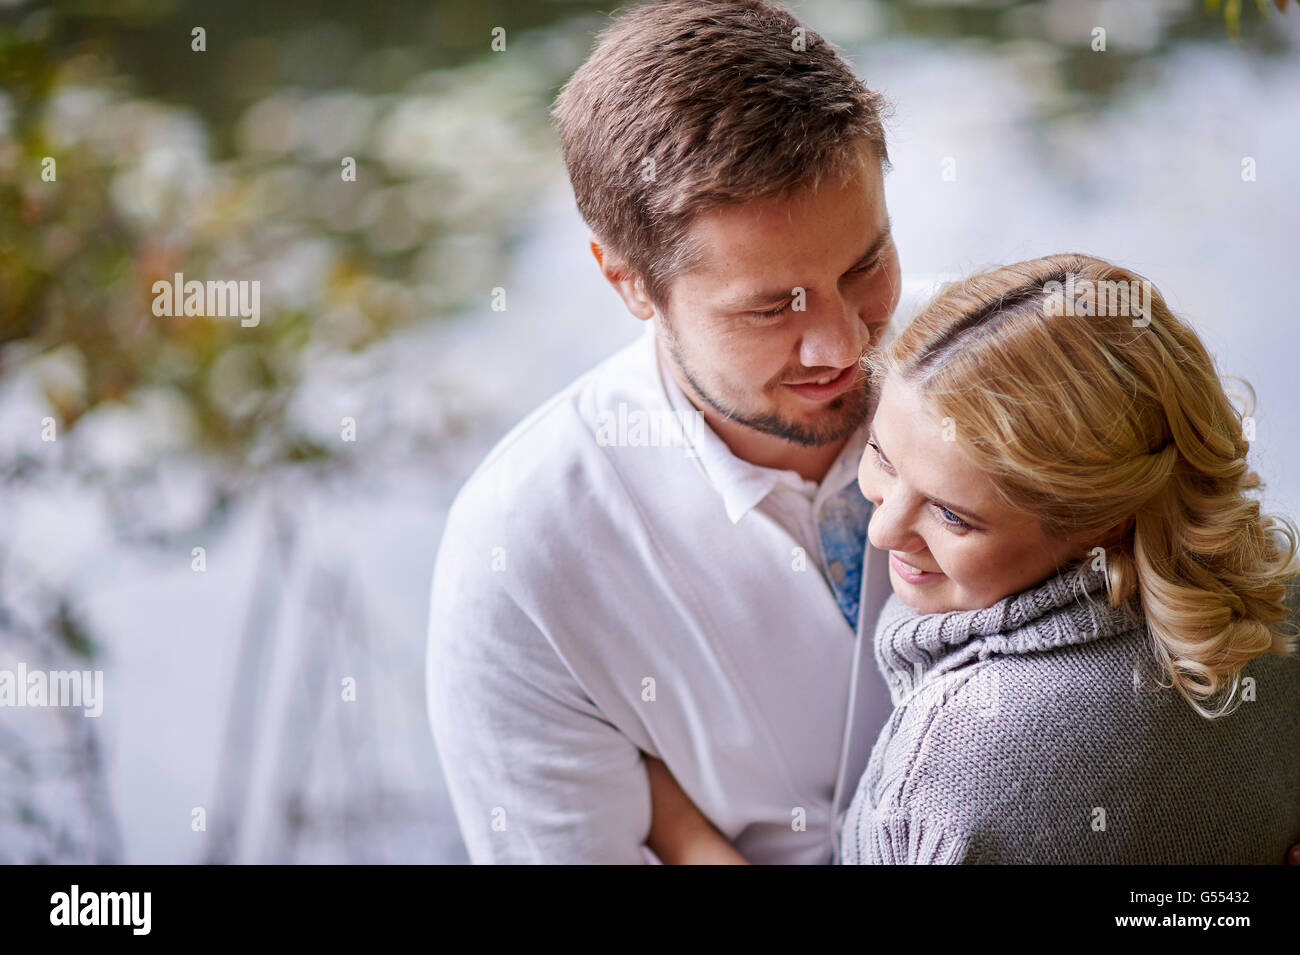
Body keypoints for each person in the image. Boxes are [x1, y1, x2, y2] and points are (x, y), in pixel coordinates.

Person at [425, 0, 902, 863]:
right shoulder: (521, 557)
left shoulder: (1014, 373)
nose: (844, 343)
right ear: (628, 280)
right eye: (770, 307)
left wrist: (684, 839)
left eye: (865, 263)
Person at [643, 254, 1300, 864]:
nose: (884, 529)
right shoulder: (1281, 599)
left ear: (1102, 520)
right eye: (881, 456)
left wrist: (678, 829)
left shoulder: (952, 765)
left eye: (954, 514)